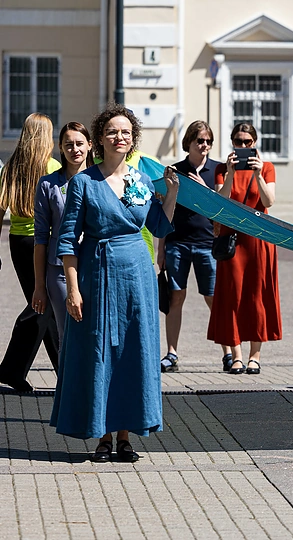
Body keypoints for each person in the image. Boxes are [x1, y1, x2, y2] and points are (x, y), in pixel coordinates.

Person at [50, 104, 179, 462]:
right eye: (112, 132)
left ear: (133, 139)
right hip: (97, 275)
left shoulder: (141, 180)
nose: (119, 137)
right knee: (99, 352)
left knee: (133, 353)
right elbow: (67, 242)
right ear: (100, 140)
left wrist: (171, 194)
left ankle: (125, 437)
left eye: (125, 132)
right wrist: (73, 290)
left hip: (137, 278)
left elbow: (159, 226)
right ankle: (103, 436)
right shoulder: (83, 182)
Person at [158, 121, 232, 373]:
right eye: (200, 140)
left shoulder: (218, 170)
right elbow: (166, 212)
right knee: (175, 297)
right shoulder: (175, 171)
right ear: (188, 142)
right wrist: (161, 250)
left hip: (207, 245)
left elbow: (222, 209)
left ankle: (228, 353)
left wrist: (204, 189)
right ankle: (171, 353)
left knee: (212, 298)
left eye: (208, 141)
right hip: (177, 243)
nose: (204, 145)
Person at [208, 123, 282, 375]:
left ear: (254, 143)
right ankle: (237, 356)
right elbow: (220, 201)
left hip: (259, 240)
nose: (242, 147)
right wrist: (229, 173)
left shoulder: (267, 167)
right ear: (232, 143)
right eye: (238, 142)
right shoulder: (221, 169)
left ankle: (255, 356)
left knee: (256, 297)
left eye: (247, 142)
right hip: (231, 240)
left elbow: (269, 201)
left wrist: (258, 175)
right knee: (232, 297)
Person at [0, 113, 62, 392]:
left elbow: (0, 209)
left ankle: (61, 371)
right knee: (43, 305)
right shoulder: (52, 167)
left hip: (18, 243)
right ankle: (12, 369)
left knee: (43, 307)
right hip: (43, 243)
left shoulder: (10, 167)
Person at [32, 122, 94, 342]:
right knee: (67, 334)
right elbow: (40, 238)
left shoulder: (102, 180)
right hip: (58, 270)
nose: (74, 149)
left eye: (79, 143)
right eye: (68, 145)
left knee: (95, 333)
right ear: (60, 147)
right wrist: (39, 286)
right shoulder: (48, 184)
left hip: (94, 264)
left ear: (89, 145)